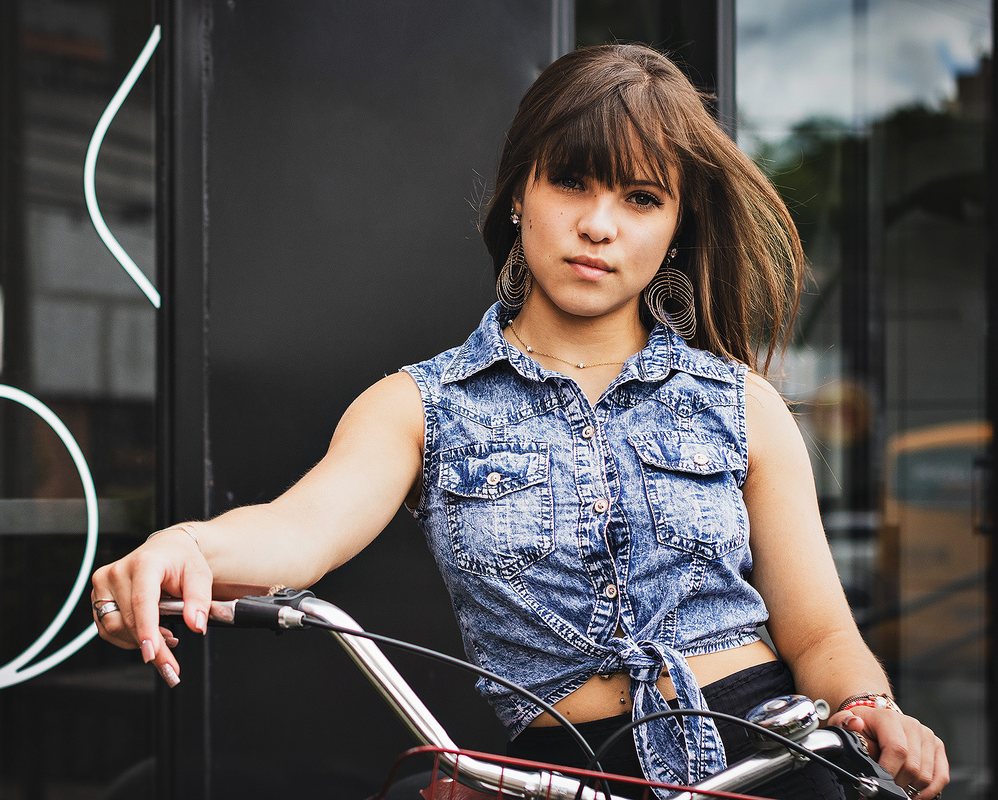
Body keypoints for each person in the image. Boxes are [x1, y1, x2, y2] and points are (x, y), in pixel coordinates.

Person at [90, 43, 949, 800]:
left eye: (641, 198)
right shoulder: (422, 406)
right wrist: (186, 551)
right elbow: (294, 531)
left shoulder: (741, 403)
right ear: (518, 196)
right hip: (562, 775)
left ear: (676, 226)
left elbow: (821, 632)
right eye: (570, 180)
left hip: (769, 766)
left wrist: (871, 708)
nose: (598, 225)